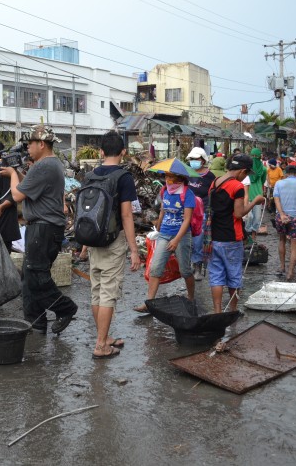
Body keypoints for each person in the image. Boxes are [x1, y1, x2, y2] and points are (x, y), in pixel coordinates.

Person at [0, 125, 78, 335]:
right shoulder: (46, 165)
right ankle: (36, 323)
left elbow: (16, 196)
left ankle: (66, 308)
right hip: (41, 228)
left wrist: (12, 173)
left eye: (30, 144)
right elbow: (26, 188)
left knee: (37, 279)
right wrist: (16, 173)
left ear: (41, 144)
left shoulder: (45, 166)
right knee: (29, 278)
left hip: (44, 229)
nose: (27, 148)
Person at [80, 132, 141, 359]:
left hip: (93, 240)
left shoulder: (89, 176)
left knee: (97, 291)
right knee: (108, 293)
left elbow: (84, 213)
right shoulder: (123, 177)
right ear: (123, 152)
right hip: (113, 240)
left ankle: (104, 338)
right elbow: (126, 216)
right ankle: (101, 345)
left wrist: (85, 245)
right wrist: (134, 250)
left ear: (101, 152)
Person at [208, 154, 265, 313]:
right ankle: (233, 310)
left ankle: (217, 311)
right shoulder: (237, 186)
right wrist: (254, 201)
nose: (245, 177)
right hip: (232, 238)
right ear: (242, 171)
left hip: (214, 236)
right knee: (234, 275)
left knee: (216, 276)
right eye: (246, 174)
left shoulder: (214, 183)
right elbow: (239, 213)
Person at [135, 169, 196, 312]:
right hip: (164, 233)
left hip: (182, 235)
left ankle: (191, 298)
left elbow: (187, 220)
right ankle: (149, 303)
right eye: (166, 176)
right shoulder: (164, 191)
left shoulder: (188, 194)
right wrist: (159, 222)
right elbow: (163, 209)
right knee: (155, 268)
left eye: (171, 177)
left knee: (185, 270)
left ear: (179, 178)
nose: (167, 179)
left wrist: (176, 240)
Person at [185, 147, 215, 280]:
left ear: (203, 160)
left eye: (196, 159)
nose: (193, 161)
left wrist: (211, 214)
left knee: (198, 241)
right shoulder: (186, 173)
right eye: (191, 159)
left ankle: (197, 267)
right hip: (186, 210)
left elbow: (213, 195)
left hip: (202, 213)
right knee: (185, 239)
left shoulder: (210, 177)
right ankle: (187, 265)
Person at [243, 148, 267, 241]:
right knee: (248, 217)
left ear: (260, 157)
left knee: (257, 218)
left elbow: (262, 181)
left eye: (256, 156)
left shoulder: (264, 169)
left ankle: (253, 238)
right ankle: (247, 237)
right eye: (252, 156)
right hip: (247, 195)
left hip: (258, 196)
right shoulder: (246, 169)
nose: (254, 158)